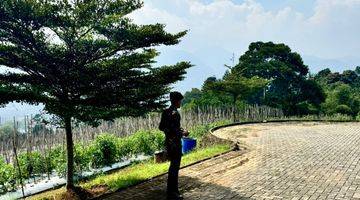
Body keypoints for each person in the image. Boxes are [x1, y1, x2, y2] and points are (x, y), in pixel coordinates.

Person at [159, 91, 189, 200]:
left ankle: (172, 191)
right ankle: (173, 193)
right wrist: (183, 133)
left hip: (169, 142)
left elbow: (161, 127)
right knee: (174, 168)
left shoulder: (165, 112)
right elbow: (173, 130)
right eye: (180, 100)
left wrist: (176, 130)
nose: (181, 102)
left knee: (173, 167)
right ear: (176, 101)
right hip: (175, 143)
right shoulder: (175, 113)